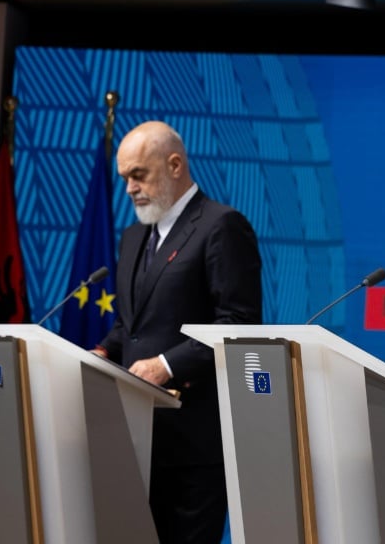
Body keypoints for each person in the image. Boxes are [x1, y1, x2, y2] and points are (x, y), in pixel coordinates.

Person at [92, 120, 263, 544]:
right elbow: (131, 325)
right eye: (125, 177)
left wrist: (167, 365)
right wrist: (103, 353)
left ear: (174, 165)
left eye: (138, 174)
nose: (130, 188)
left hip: (193, 444)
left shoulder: (222, 226)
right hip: (135, 437)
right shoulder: (134, 236)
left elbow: (239, 324)